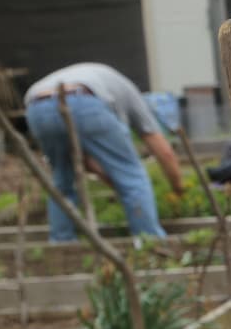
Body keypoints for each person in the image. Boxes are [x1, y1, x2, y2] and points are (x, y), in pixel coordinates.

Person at [24, 62, 182, 242]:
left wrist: (113, 179)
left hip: (36, 106)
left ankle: (62, 244)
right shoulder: (131, 94)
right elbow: (164, 151)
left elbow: (85, 161)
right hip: (84, 99)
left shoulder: (101, 79)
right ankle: (149, 241)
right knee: (133, 178)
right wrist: (178, 189)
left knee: (62, 181)